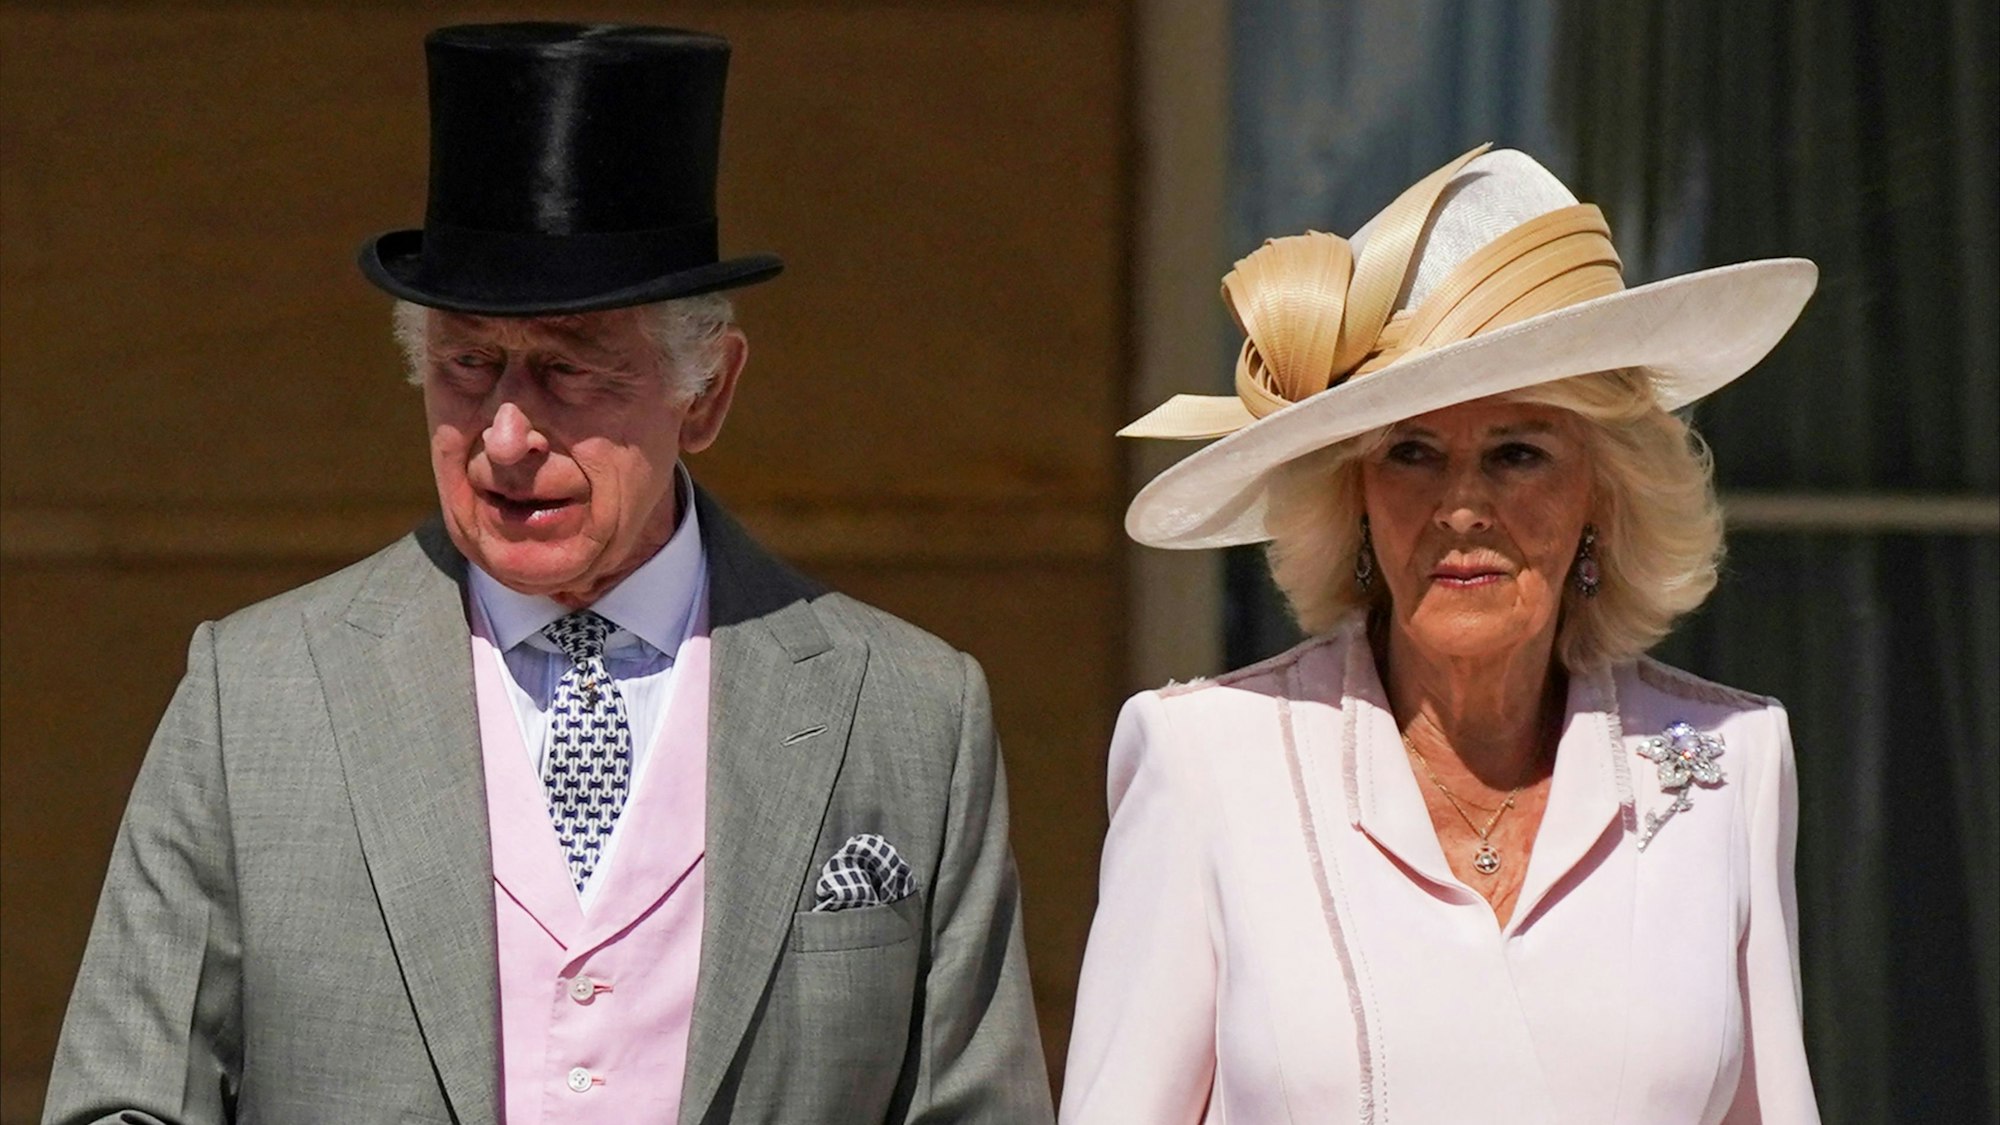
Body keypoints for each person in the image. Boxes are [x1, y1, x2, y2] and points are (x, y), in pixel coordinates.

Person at [45, 23, 1053, 1124]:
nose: (508, 435)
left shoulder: (908, 711)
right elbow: (125, 1100)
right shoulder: (257, 696)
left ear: (705, 393)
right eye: (468, 366)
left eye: (571, 370)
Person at [1061, 145, 1821, 1122]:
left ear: (1601, 491)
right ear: (1353, 494)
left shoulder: (1726, 763)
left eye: (1516, 453)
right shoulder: (1205, 760)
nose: (1460, 507)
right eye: (1410, 453)